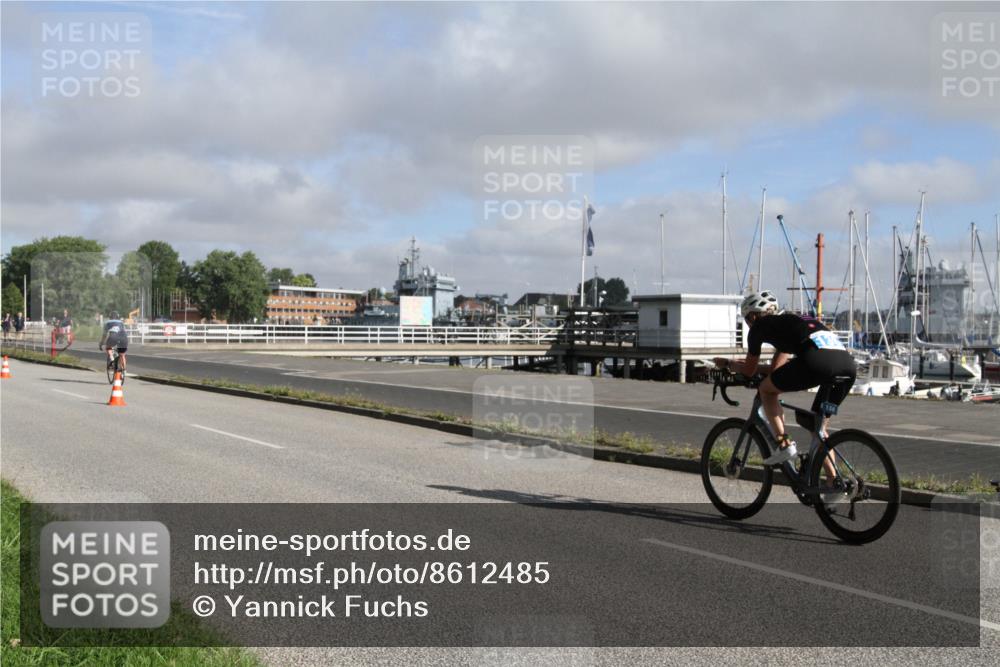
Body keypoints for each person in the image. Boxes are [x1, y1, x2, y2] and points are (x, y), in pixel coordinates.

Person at [713, 291, 856, 491]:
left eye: (746, 319)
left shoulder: (759, 327)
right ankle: (835, 484)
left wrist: (728, 364)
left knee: (767, 390)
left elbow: (749, 371)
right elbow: (776, 372)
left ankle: (784, 444)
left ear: (753, 316)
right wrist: (753, 369)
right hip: (847, 366)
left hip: (817, 363)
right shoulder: (793, 321)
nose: (747, 324)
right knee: (819, 429)